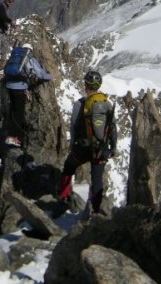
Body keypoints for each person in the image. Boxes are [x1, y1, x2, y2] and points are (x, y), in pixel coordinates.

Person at [56, 70, 117, 214]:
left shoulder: (80, 104)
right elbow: (113, 127)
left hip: (82, 148)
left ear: (86, 85)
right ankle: (95, 211)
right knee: (97, 181)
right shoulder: (107, 104)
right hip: (100, 150)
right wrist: (113, 148)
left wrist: (72, 146)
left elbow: (74, 126)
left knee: (68, 167)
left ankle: (61, 198)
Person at [3, 43, 53, 149]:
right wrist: (50, 76)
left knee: (12, 110)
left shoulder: (14, 56)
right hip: (19, 88)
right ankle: (14, 138)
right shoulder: (29, 58)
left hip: (8, 86)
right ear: (30, 50)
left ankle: (9, 134)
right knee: (19, 113)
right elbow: (40, 74)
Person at [0, 0, 16, 65]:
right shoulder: (1, 7)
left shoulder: (4, 7)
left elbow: (4, 18)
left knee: (4, 45)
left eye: (11, 2)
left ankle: (3, 60)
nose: (10, 3)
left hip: (2, 29)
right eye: (10, 1)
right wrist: (10, 21)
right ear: (6, 0)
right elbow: (3, 17)